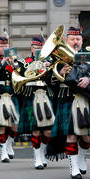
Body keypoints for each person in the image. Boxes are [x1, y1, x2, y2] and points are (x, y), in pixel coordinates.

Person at [47, 26, 90, 179]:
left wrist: (89, 78)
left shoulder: (88, 53)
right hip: (66, 97)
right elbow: (48, 78)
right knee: (71, 134)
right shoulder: (57, 56)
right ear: (67, 40)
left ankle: (81, 155)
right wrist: (59, 73)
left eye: (78, 39)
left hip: (85, 97)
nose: (75, 41)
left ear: (82, 40)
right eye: (72, 39)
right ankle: (73, 167)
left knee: (87, 137)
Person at [15, 36, 55, 169]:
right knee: (36, 130)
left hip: (46, 96)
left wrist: (49, 68)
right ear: (32, 48)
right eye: (36, 48)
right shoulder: (24, 62)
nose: (37, 50)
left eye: (40, 48)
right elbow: (20, 77)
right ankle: (37, 157)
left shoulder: (50, 61)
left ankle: (42, 152)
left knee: (48, 131)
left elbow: (53, 81)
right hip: (31, 96)